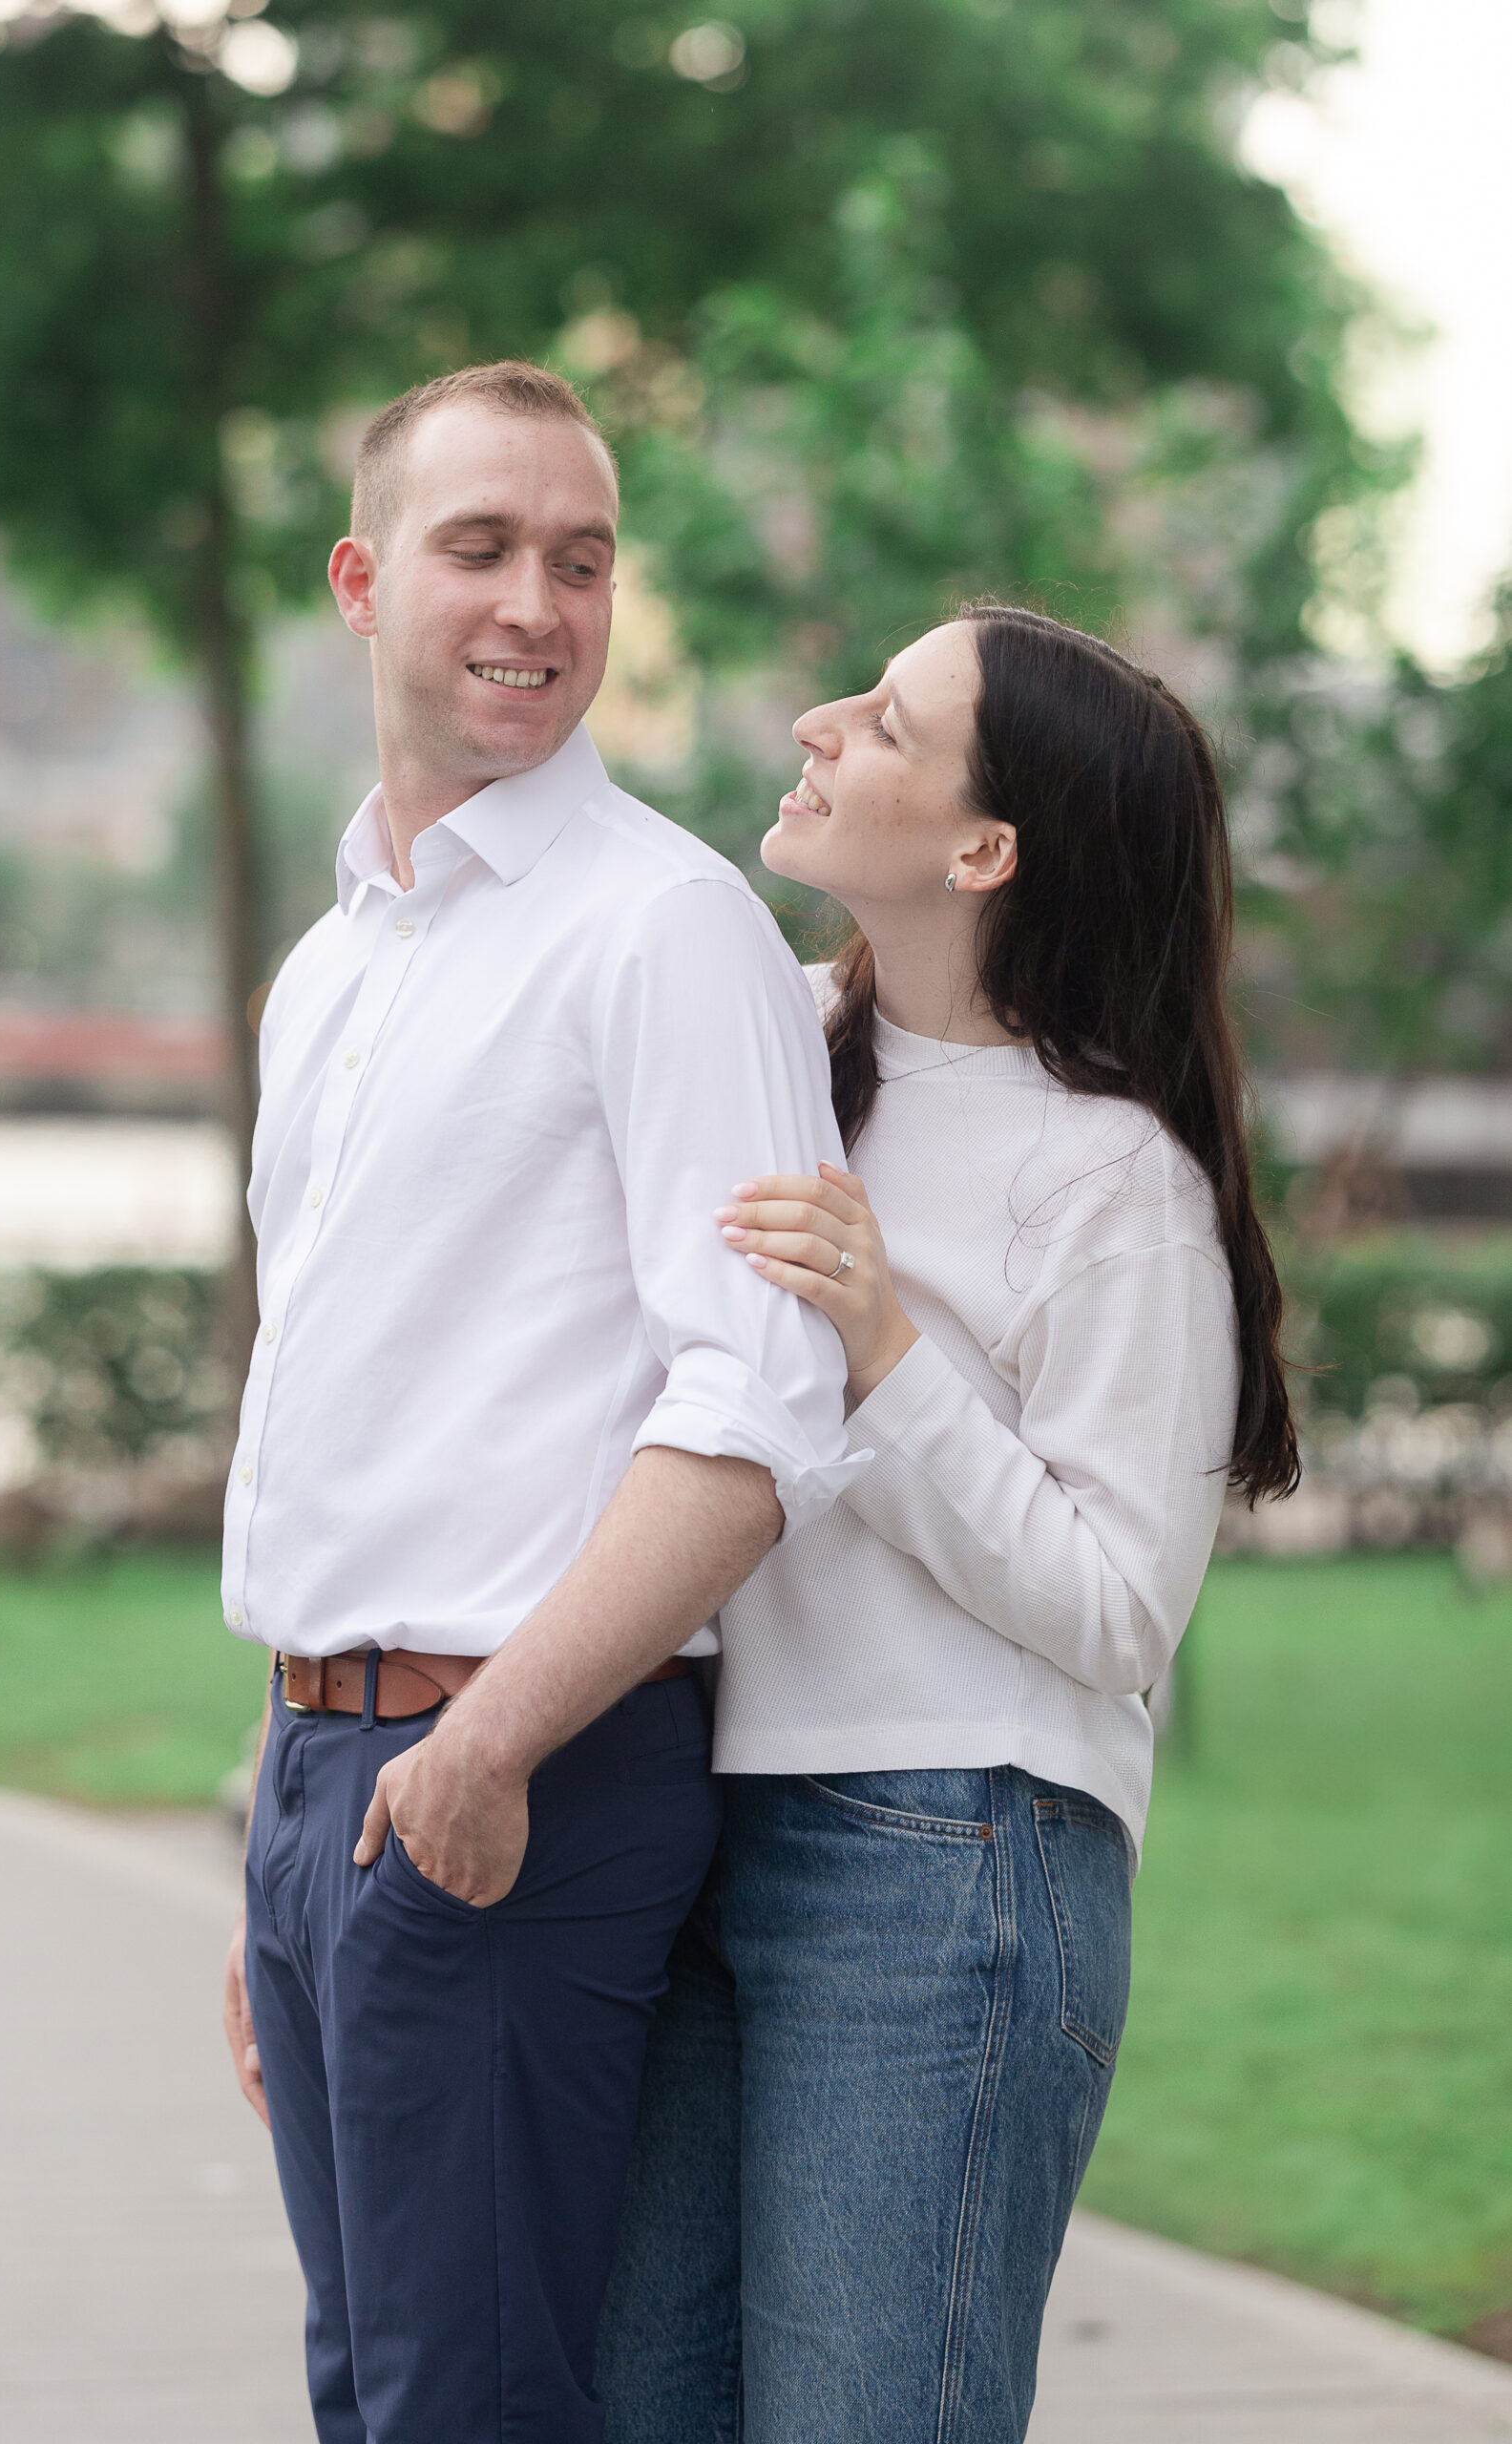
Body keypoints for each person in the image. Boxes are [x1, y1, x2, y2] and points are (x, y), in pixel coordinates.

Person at [218, 360, 862, 2444]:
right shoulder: (334, 967)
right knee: (376, 2388)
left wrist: (481, 1746)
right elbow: (341, 1405)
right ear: (357, 579)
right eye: (479, 547)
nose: (534, 602)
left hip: (521, 1757)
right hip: (334, 1764)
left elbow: (760, 1405)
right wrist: (282, 1827)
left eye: (577, 559)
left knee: (464, 2405)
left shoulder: (666, 928)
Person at [597, 605, 1299, 2444]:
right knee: (634, 2404)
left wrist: (886, 1348)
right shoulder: (783, 1049)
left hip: (946, 1863)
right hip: (691, 1818)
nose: (821, 722)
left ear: (982, 851)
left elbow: (1116, 1607)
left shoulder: (1106, 1172)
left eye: (888, 722)